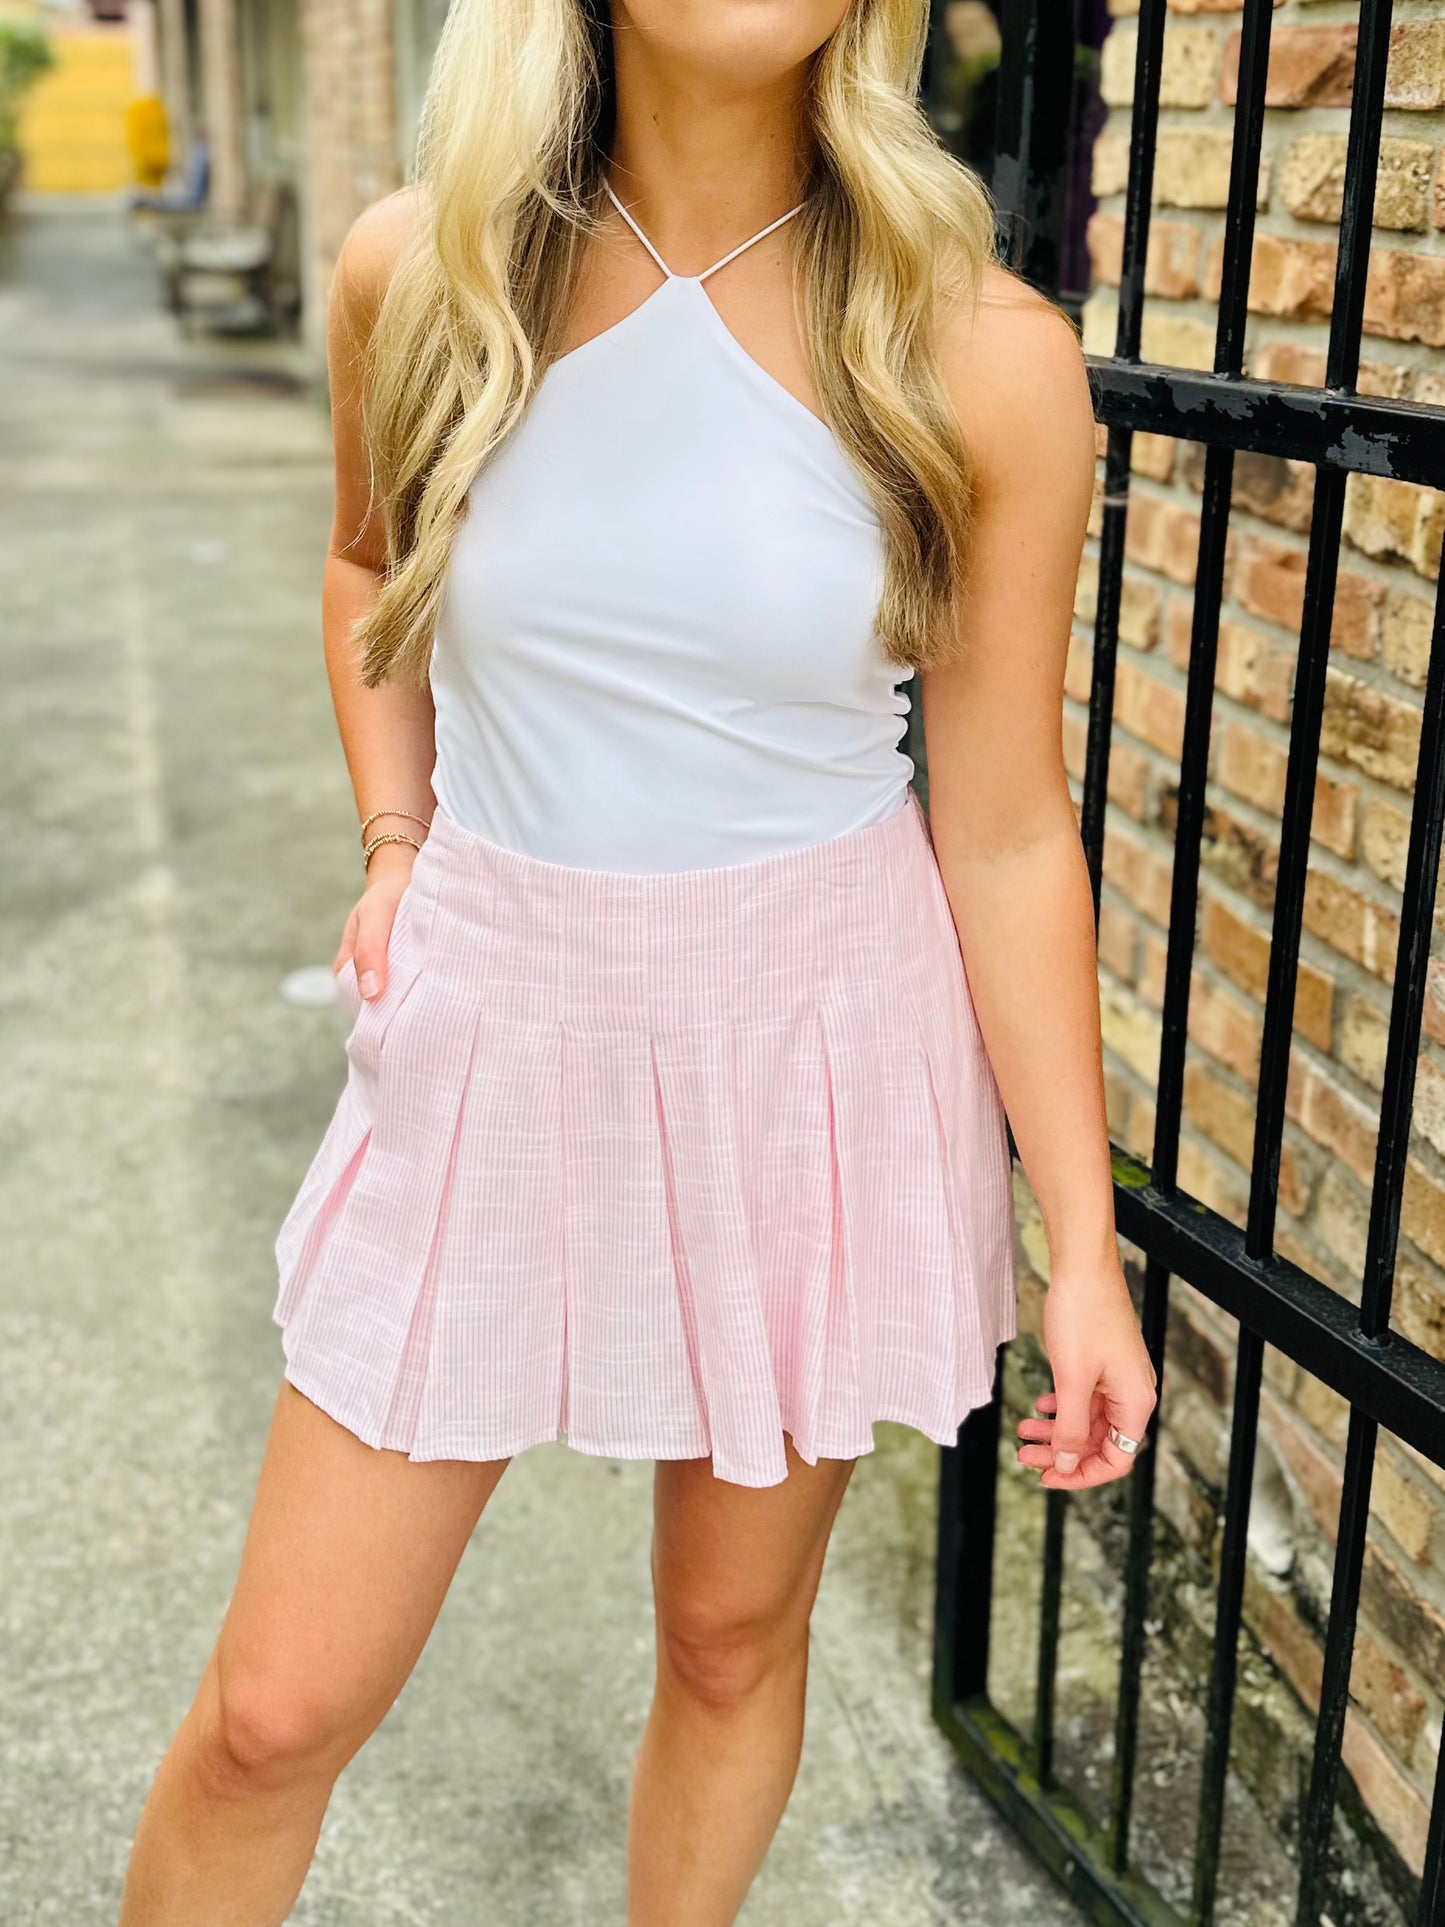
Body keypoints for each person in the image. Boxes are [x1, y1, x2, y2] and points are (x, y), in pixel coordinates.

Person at [118, 1, 1157, 1919]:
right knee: (271, 1713)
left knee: (728, 1642)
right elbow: (367, 564)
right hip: (495, 1025)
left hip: (811, 1046)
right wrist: (396, 834)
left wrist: (1080, 1247)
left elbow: (1005, 824)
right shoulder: (421, 273)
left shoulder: (978, 351)